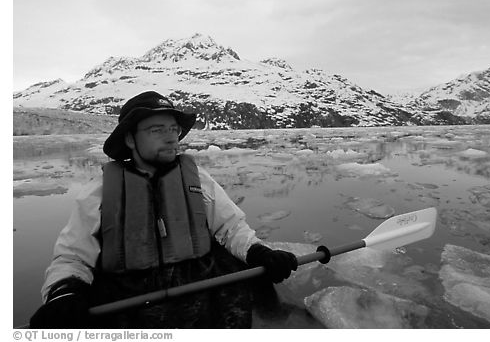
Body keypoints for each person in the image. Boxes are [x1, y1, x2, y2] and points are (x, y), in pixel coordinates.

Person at [29, 91, 299, 329]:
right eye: (157, 130)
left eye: (173, 129)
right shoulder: (100, 190)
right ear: (131, 139)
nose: (172, 138)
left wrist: (258, 252)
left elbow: (230, 228)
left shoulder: (197, 178)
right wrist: (64, 294)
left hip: (201, 286)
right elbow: (73, 257)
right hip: (130, 299)